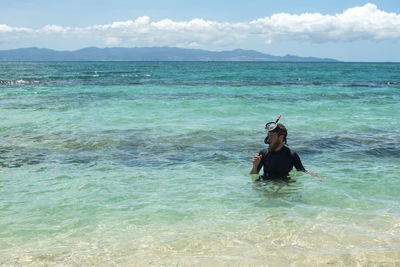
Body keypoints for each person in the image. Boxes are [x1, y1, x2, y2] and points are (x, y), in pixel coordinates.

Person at [250, 117, 323, 181]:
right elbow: (253, 175)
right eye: (268, 135)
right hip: (266, 182)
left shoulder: (291, 155)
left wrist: (316, 176)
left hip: (284, 182)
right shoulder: (263, 153)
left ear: (281, 137)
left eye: (272, 136)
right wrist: (255, 165)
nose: (269, 139)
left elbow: (302, 171)